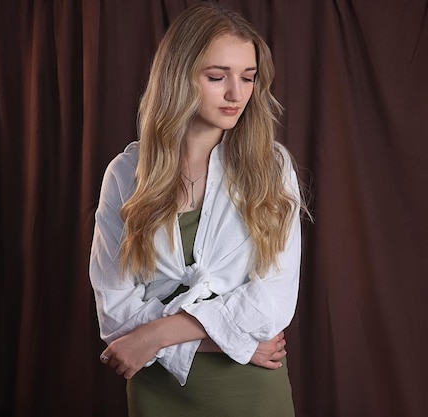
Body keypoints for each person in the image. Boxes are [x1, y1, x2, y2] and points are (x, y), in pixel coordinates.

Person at [89, 2, 308, 416]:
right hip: (160, 392)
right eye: (216, 76)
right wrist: (228, 339)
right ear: (178, 76)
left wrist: (155, 336)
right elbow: (117, 316)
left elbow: (272, 304)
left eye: (248, 77)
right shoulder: (125, 174)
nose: (236, 94)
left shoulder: (271, 168)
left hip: (251, 391)